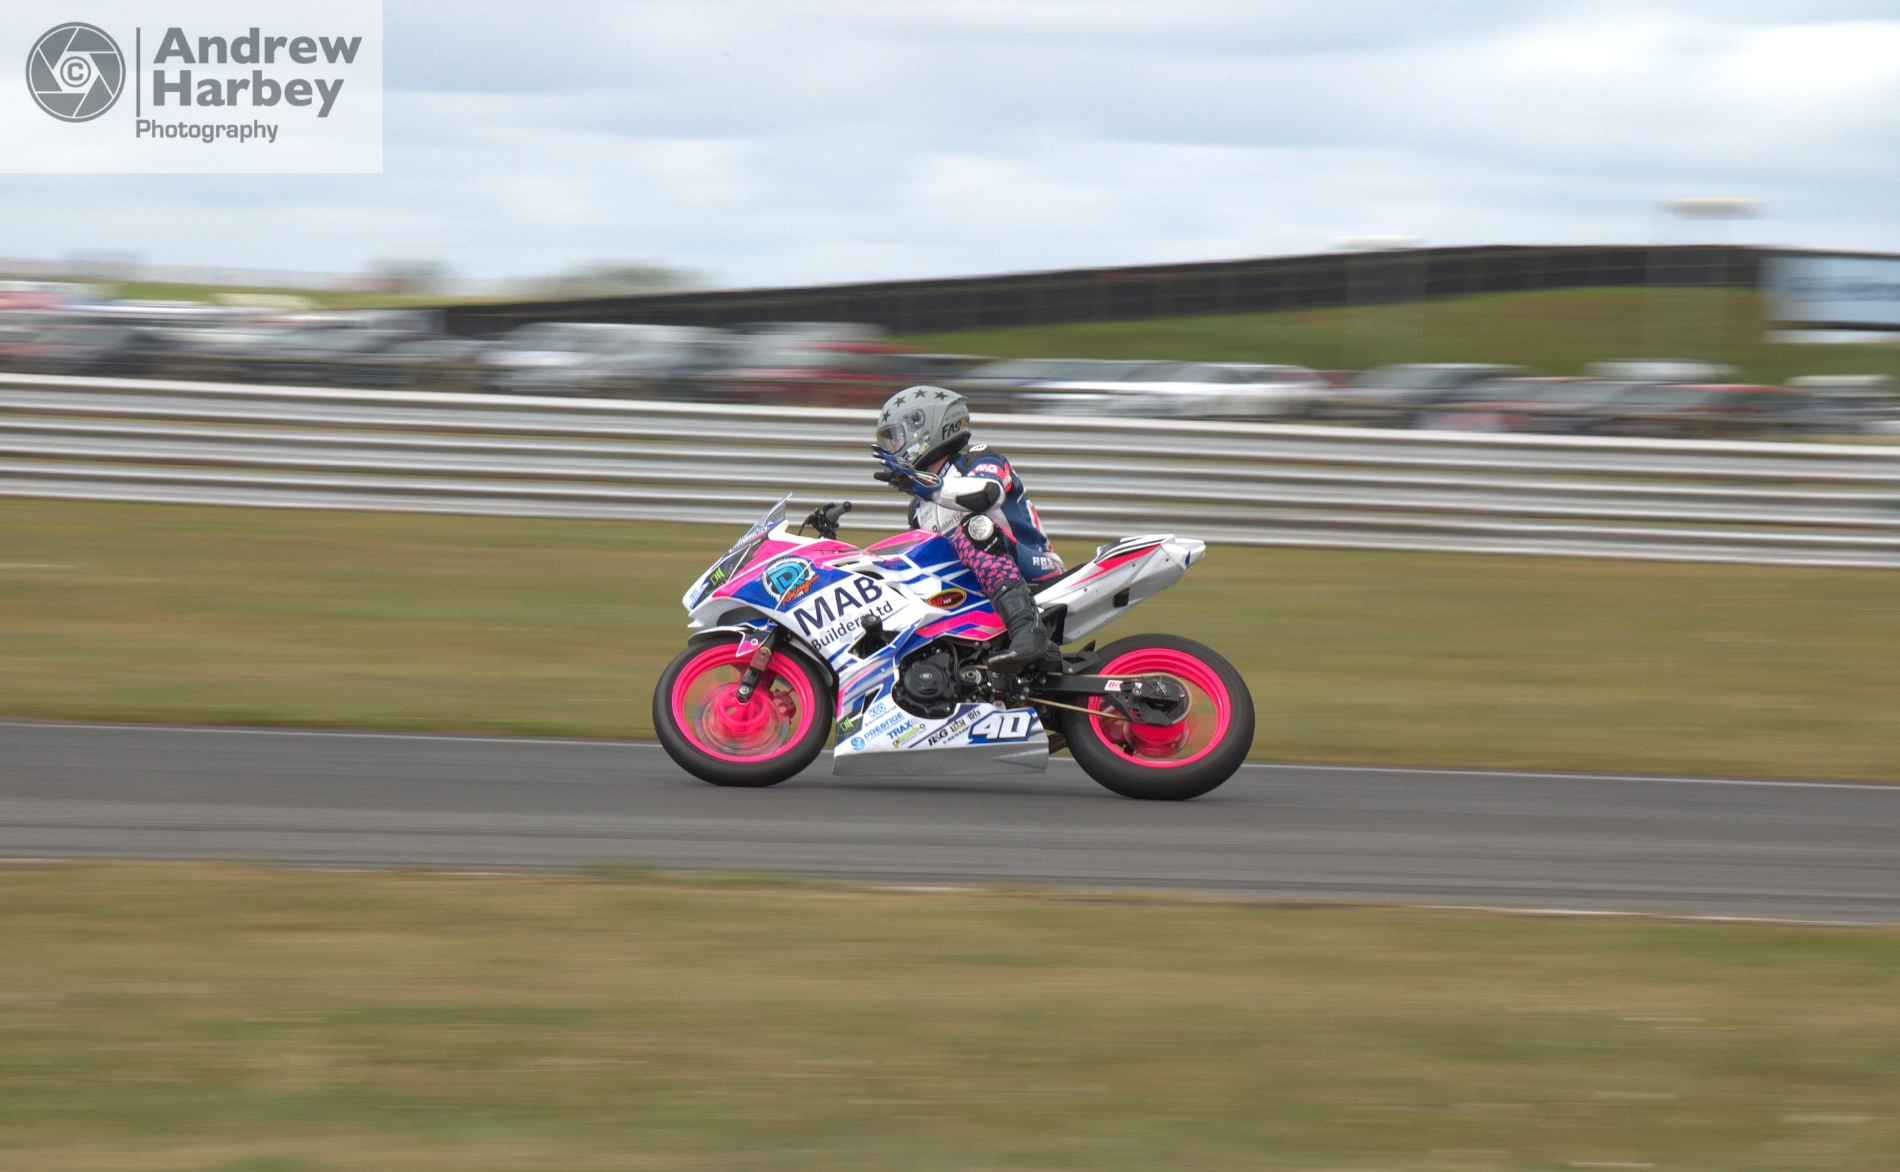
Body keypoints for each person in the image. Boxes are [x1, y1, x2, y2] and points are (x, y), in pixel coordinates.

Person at [872, 384, 1064, 674]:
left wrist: (929, 486)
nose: (893, 448)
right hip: (979, 587)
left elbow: (987, 493)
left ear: (924, 427)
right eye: (889, 441)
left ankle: (1028, 631)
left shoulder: (978, 457)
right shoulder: (918, 508)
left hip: (1033, 566)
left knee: (973, 528)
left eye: (896, 437)